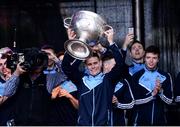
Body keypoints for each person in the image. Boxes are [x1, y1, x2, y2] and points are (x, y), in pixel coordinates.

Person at [62, 27, 124, 125]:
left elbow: (120, 65)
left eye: (95, 63)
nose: (93, 67)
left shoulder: (108, 79)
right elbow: (66, 67)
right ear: (86, 65)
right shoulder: (81, 80)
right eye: (90, 64)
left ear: (100, 63)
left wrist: (111, 42)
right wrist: (80, 51)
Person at [2, 47, 63, 125]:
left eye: (40, 60)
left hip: (42, 123)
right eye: (35, 60)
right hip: (20, 123)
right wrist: (16, 73)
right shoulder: (19, 76)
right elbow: (7, 92)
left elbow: (65, 74)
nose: (38, 63)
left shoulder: (49, 78)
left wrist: (55, 58)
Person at [130, 45, 173, 126]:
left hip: (160, 122)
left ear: (158, 59)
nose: (151, 61)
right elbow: (133, 102)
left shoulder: (166, 76)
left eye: (154, 58)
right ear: (144, 59)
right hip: (140, 122)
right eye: (148, 57)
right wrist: (152, 95)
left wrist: (160, 92)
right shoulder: (136, 76)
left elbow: (170, 101)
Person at [102, 51, 134, 126]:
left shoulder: (123, 82)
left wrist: (117, 104)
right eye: (115, 65)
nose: (118, 68)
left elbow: (131, 104)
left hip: (118, 123)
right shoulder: (96, 80)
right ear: (105, 65)